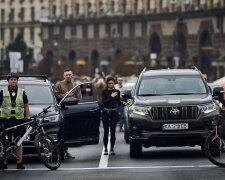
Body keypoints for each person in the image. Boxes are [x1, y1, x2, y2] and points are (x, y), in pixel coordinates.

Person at [0, 72, 30, 170]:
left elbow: (26, 107)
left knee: (19, 142)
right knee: (5, 143)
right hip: (6, 120)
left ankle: (19, 163)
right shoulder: (2, 92)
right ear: (8, 81)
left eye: (15, 79)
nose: (13, 81)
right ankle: (4, 163)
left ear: (17, 81)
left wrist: (28, 118)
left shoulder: (22, 92)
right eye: (11, 79)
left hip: (19, 120)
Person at [54, 68, 82, 159]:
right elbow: (55, 96)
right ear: (64, 76)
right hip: (61, 111)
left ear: (72, 75)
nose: (68, 76)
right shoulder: (58, 84)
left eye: (70, 75)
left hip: (72, 111)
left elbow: (79, 99)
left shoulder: (76, 86)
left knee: (70, 132)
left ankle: (66, 151)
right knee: (61, 132)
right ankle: (60, 151)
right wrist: (65, 95)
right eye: (67, 75)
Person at [102, 77, 123, 155]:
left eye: (112, 83)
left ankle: (112, 148)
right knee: (106, 132)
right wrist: (111, 96)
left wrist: (126, 103)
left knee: (113, 131)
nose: (111, 85)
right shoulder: (104, 92)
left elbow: (119, 103)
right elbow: (104, 102)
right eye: (109, 83)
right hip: (106, 113)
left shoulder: (116, 91)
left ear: (114, 83)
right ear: (107, 84)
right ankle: (105, 149)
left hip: (114, 113)